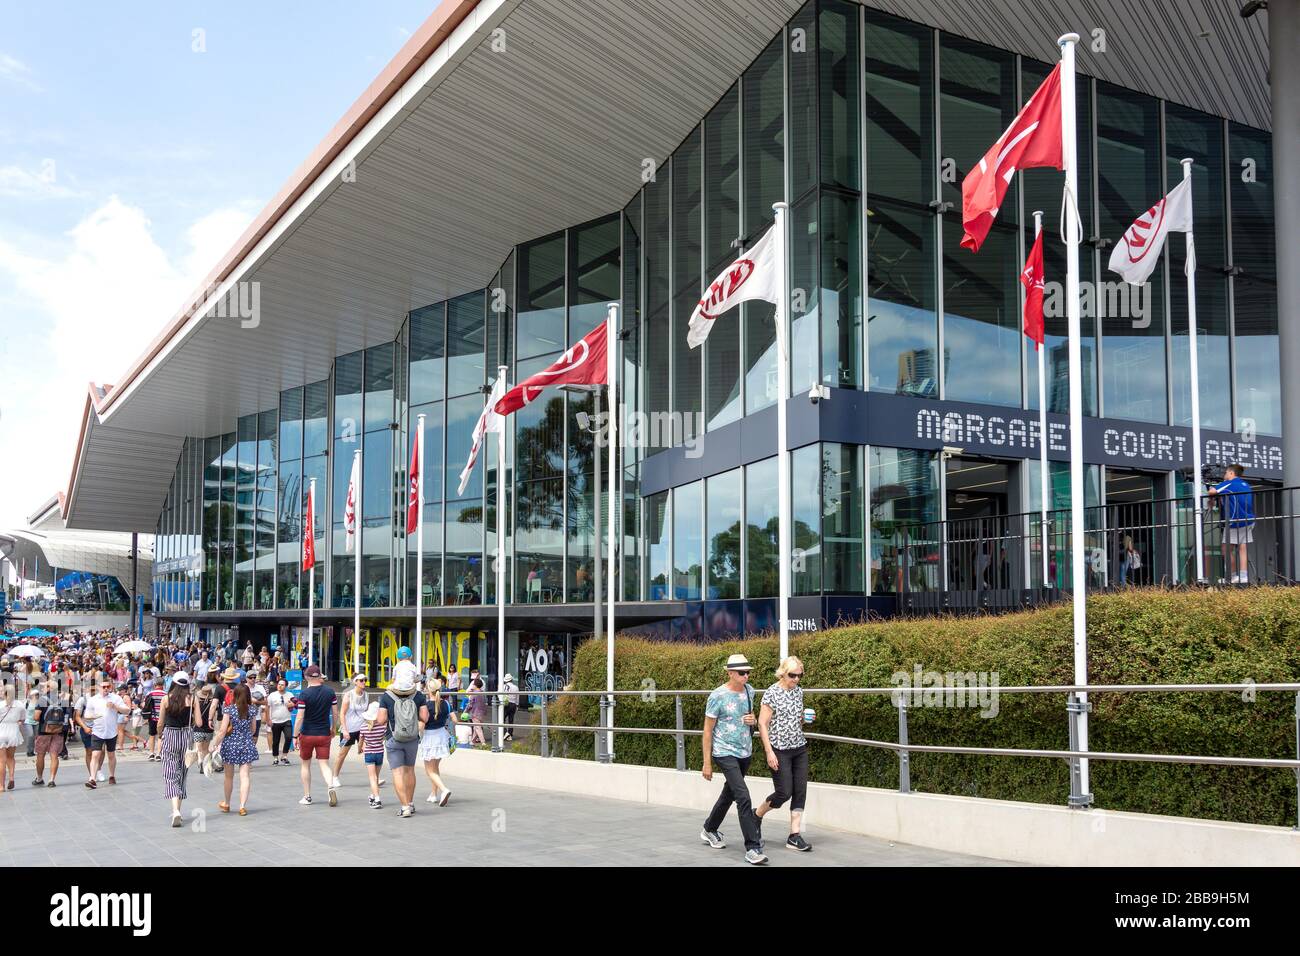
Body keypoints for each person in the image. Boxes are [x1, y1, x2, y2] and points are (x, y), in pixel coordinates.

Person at [700, 653, 766, 865]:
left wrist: (753, 720)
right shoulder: (717, 696)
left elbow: (752, 717)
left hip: (744, 751)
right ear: (730, 673)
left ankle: (710, 828)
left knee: (729, 794)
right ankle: (753, 848)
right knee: (743, 796)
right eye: (742, 672)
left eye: (748, 672)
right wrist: (707, 762)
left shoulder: (750, 691)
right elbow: (708, 731)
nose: (746, 676)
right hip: (724, 751)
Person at [754, 656, 813, 852]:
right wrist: (769, 752)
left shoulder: (798, 692)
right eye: (792, 675)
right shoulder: (772, 693)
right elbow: (762, 723)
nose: (796, 679)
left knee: (800, 792)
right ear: (783, 673)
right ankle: (757, 815)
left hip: (799, 747)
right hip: (779, 749)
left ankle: (794, 835)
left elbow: (797, 720)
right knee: (783, 792)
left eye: (799, 675)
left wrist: (804, 718)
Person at [375, 671, 429, 818]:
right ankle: (410, 803)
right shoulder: (418, 696)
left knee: (397, 773)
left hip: (394, 738)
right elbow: (424, 717)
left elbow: (380, 720)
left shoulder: (387, 696)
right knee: (410, 770)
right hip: (412, 739)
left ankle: (404, 807)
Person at [294, 664, 339, 806]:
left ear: (306, 677)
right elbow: (335, 713)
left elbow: (300, 717)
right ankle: (330, 786)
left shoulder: (304, 694)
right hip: (324, 732)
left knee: (305, 765)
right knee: (324, 764)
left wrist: (295, 736)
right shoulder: (329, 692)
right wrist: (333, 728)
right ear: (319, 675)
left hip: (307, 733)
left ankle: (307, 796)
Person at [210, 682, 258, 815]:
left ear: (235, 694)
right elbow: (253, 729)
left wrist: (214, 744)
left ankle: (227, 803)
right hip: (247, 744)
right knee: (245, 776)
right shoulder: (252, 709)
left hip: (230, 745)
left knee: (228, 777)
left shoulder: (229, 709)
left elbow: (223, 730)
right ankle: (242, 806)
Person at [1208, 463, 1255, 585]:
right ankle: (1242, 575)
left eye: (1225, 473)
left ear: (1231, 473)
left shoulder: (1229, 483)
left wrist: (1211, 496)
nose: (1224, 475)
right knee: (1242, 547)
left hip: (1235, 520)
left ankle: (1231, 576)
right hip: (1248, 519)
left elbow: (1212, 491)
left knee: (1226, 548)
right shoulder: (1245, 484)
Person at [84, 677, 132, 788]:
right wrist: (94, 717)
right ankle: (92, 778)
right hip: (97, 731)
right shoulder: (93, 699)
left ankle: (111, 775)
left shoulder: (115, 698)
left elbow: (127, 710)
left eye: (108, 686)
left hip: (111, 732)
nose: (106, 689)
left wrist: (115, 707)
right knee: (95, 754)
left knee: (111, 754)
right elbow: (87, 715)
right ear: (98, 687)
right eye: (103, 686)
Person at [160, 673, 194, 827]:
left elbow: (160, 722)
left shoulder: (166, 698)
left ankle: (175, 811)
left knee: (170, 773)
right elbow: (198, 721)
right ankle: (177, 810)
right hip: (186, 735)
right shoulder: (191, 699)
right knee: (182, 773)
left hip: (170, 734)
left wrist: (160, 735)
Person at [419, 677, 455, 806]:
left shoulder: (426, 706)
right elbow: (455, 720)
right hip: (442, 735)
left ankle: (444, 790)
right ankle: (433, 794)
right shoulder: (445, 704)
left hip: (430, 737)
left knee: (429, 770)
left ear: (429, 690)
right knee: (435, 768)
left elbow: (421, 726)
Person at [331, 673, 369, 789]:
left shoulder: (366, 695)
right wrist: (345, 730)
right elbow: (342, 713)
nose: (364, 682)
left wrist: (369, 726)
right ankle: (335, 777)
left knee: (369, 752)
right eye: (361, 680)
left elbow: (366, 712)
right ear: (355, 682)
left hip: (362, 728)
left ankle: (374, 777)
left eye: (365, 680)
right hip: (349, 729)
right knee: (342, 754)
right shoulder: (349, 695)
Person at [32, 685, 67, 787]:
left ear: (48, 688)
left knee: (40, 755)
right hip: (58, 731)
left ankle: (39, 778)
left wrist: (45, 722)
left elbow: (36, 717)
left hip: (44, 731)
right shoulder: (62, 700)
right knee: (54, 755)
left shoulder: (41, 700)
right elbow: (65, 715)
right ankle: (51, 779)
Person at [359, 700, 386, 809]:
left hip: (369, 753)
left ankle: (377, 799)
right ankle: (372, 795)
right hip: (380, 752)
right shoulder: (383, 727)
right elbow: (384, 737)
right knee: (376, 777)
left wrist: (359, 748)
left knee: (372, 777)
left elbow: (361, 741)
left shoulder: (364, 727)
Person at [265, 678, 296, 765]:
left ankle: (284, 756)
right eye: (279, 684)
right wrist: (268, 719)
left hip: (287, 719)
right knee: (276, 740)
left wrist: (292, 704)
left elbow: (295, 703)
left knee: (289, 737)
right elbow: (267, 707)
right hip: (275, 721)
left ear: (286, 686)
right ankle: (275, 757)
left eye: (282, 685)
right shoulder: (272, 695)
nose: (280, 686)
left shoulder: (290, 694)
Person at [0, 685, 23, 792]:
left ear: (4, 693)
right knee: (11, 757)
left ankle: (1, 786)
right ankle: (12, 777)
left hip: (2, 730)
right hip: (13, 730)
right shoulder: (20, 705)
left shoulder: (0, 705)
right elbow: (22, 719)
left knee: (1, 761)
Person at [146, 677, 167, 761]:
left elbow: (145, 705)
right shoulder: (165, 694)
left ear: (155, 685)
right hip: (162, 717)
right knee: (160, 736)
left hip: (152, 717)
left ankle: (151, 753)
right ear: (163, 685)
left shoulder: (150, 694)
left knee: (151, 735)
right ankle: (158, 754)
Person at [466, 677, 488, 745]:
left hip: (475, 712)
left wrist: (465, 711)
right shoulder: (482, 693)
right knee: (476, 727)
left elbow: (470, 704)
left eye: (473, 684)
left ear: (475, 685)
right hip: (482, 712)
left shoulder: (474, 694)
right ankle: (472, 741)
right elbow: (485, 702)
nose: (472, 686)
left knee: (478, 727)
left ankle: (483, 742)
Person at [500, 673, 519, 742]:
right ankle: (510, 734)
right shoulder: (516, 687)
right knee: (511, 720)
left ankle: (506, 733)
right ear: (511, 680)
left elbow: (501, 695)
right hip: (513, 704)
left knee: (502, 719)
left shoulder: (503, 686)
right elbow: (517, 697)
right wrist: (517, 705)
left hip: (506, 704)